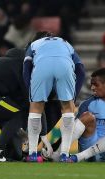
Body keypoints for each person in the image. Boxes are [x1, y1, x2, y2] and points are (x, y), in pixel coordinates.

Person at [23, 31, 85, 162]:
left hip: (42, 67)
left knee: (36, 108)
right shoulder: (65, 43)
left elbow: (26, 66)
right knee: (68, 108)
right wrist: (73, 95)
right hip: (64, 66)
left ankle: (32, 154)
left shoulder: (34, 44)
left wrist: (30, 89)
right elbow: (80, 69)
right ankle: (64, 154)